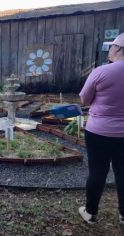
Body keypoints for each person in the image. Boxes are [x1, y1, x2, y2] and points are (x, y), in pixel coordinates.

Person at [78, 33, 124, 224]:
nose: (110, 50)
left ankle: (90, 212)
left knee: (97, 171)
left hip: (99, 132)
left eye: (112, 47)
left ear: (119, 49)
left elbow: (84, 99)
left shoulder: (100, 72)